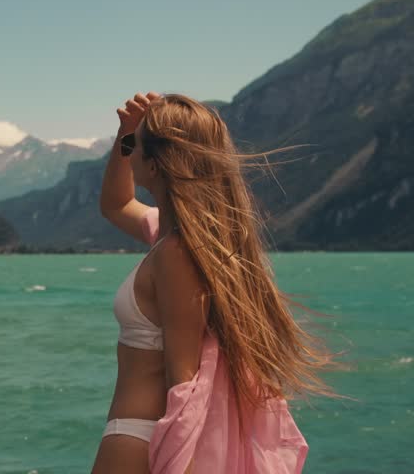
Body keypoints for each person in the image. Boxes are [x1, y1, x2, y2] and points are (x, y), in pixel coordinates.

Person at [92, 92, 349, 473]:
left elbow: (184, 379)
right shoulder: (172, 236)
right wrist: (125, 134)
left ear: (156, 164)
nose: (129, 154)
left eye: (135, 146)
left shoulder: (177, 254)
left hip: (139, 441)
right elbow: (115, 205)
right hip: (140, 437)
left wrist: (181, 465)